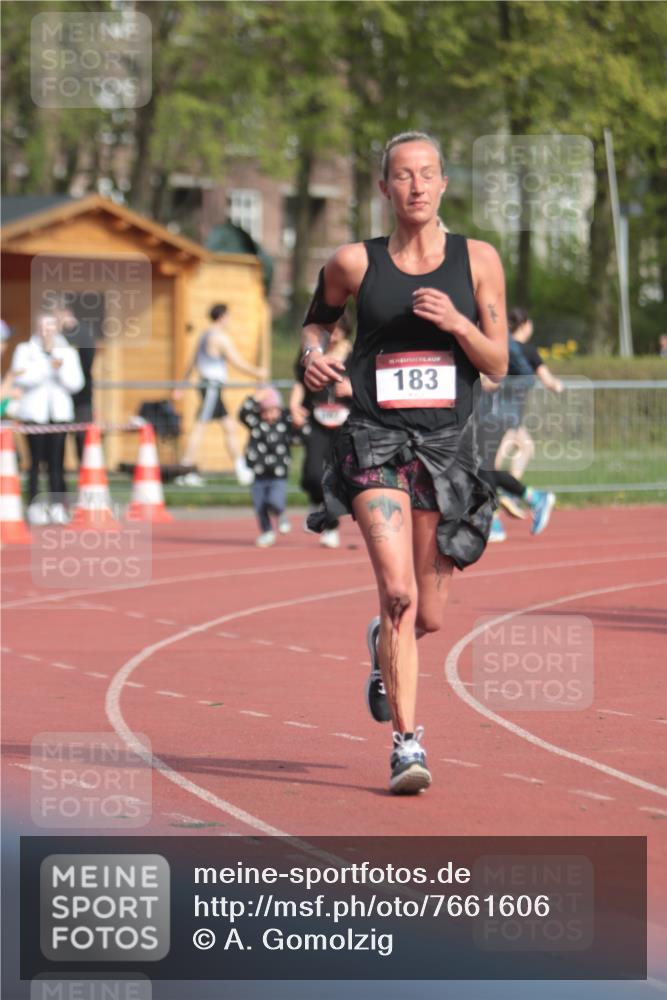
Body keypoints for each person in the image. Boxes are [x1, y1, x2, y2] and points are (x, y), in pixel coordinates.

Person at [301, 131, 508, 795]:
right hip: (374, 442)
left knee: (427, 616)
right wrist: (311, 357)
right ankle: (406, 747)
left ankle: (380, 648)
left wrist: (457, 323)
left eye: (426, 174)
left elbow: (497, 362)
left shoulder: (477, 261)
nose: (415, 186)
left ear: (443, 183)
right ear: (382, 188)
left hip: (446, 452)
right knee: (395, 593)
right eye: (401, 175)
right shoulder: (353, 264)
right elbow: (315, 323)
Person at [173, 304, 267, 486]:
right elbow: (237, 361)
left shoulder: (204, 335)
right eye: (229, 317)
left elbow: (192, 362)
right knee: (200, 427)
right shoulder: (219, 338)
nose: (230, 321)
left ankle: (241, 470)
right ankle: (185, 469)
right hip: (211, 387)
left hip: (211, 387)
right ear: (222, 317)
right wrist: (257, 372)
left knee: (229, 427)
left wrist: (182, 385)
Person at [11, 312, 84, 524]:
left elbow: (76, 384)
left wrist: (59, 369)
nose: (47, 332)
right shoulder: (24, 350)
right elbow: (20, 378)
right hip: (33, 415)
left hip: (59, 415)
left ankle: (58, 505)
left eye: (51, 327)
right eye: (44, 327)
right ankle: (34, 505)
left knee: (57, 462)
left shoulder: (67, 352)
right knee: (34, 462)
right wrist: (46, 367)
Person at [290, 313, 353, 549]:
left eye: (337, 330)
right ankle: (317, 502)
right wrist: (294, 405)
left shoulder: (355, 354)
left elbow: (371, 385)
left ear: (346, 332)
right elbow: (299, 381)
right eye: (329, 330)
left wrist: (352, 389)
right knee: (312, 475)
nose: (333, 335)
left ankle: (332, 526)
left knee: (335, 477)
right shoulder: (311, 352)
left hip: (345, 424)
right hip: (317, 420)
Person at [239, 386, 295, 547]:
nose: (269, 415)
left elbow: (297, 421)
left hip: (278, 473)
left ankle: (281, 514)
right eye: (265, 412)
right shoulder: (256, 424)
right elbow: (243, 413)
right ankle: (267, 531)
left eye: (273, 411)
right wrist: (255, 398)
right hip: (259, 472)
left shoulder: (284, 424)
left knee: (275, 501)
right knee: (260, 505)